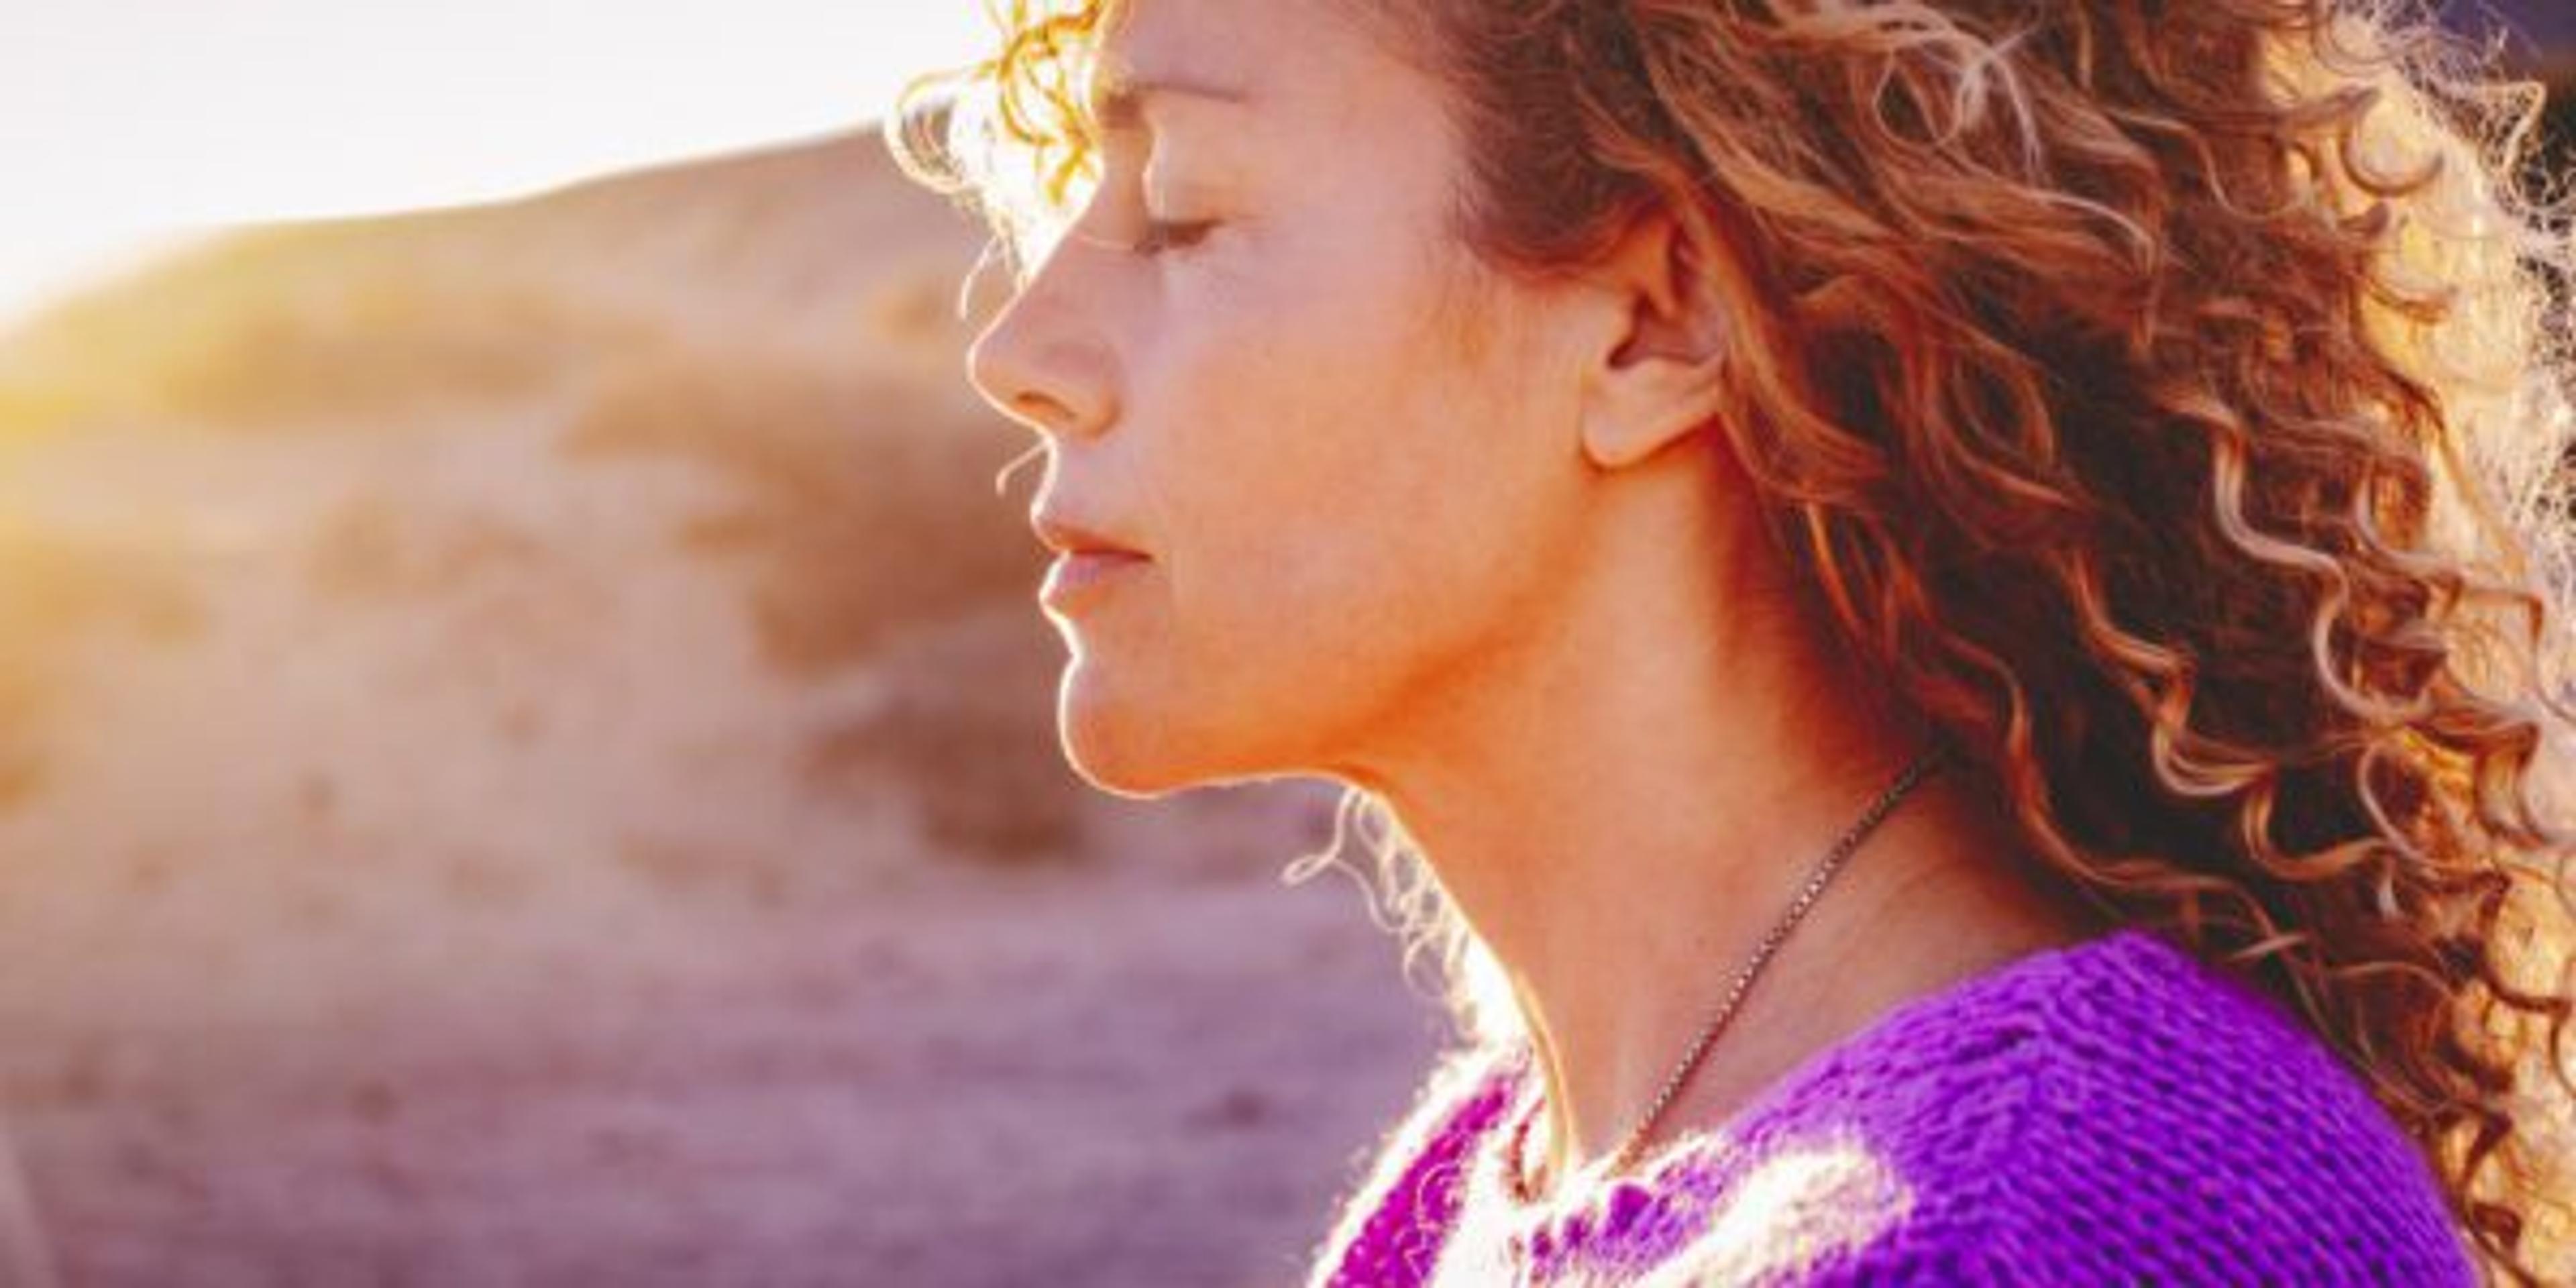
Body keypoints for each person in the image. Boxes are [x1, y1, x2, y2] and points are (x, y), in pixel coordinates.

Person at [888, 1, 2576, 1283]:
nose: (1020, 346)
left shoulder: (2057, 1210)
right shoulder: (1479, 1189)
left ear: (1654, 322)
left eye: (1180, 207)